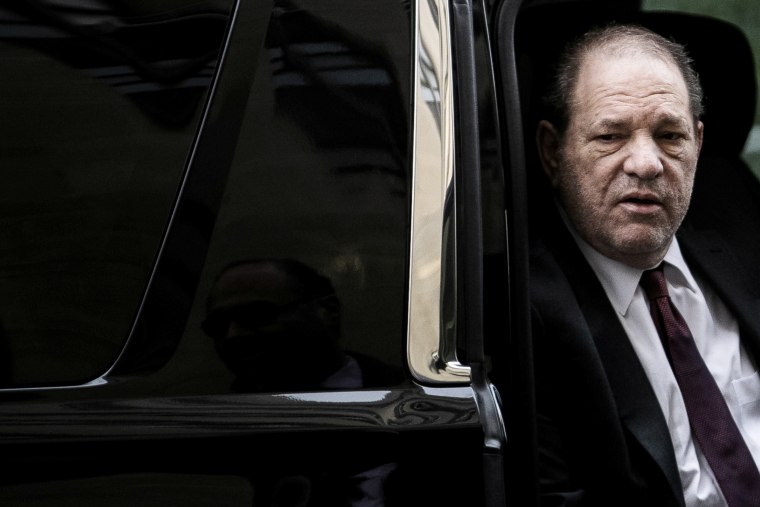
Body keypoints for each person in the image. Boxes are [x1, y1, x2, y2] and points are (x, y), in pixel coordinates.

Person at [530, 24, 760, 507]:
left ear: (698, 144)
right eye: (611, 136)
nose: (647, 163)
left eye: (669, 135)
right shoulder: (523, 316)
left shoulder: (744, 229)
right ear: (553, 152)